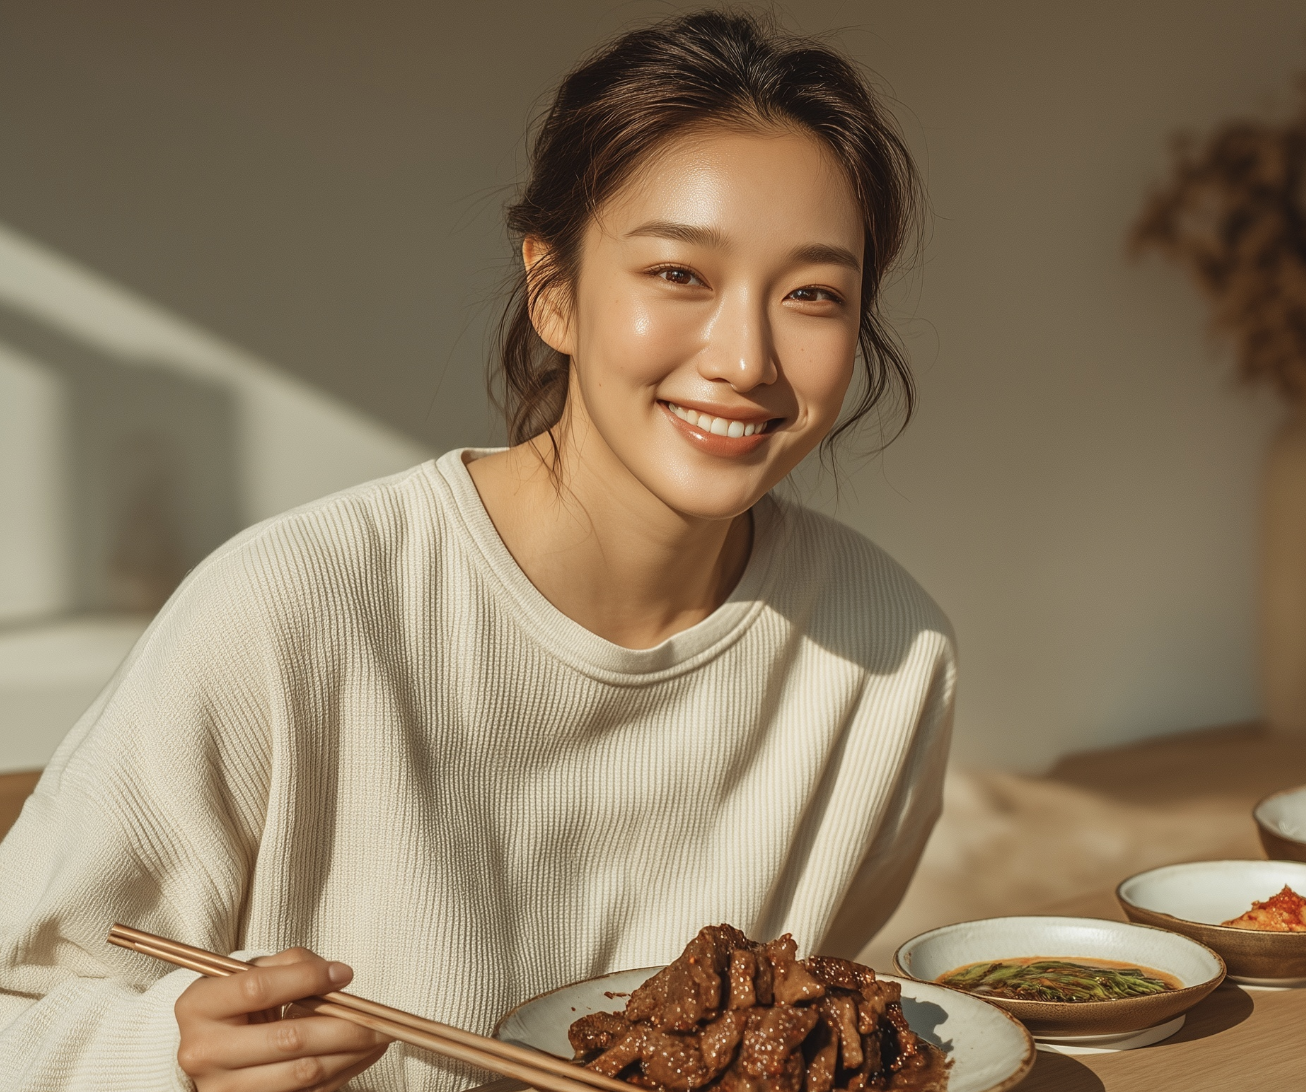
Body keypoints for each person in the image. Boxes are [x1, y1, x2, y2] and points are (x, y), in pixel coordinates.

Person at [0, 11, 954, 1092]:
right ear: (553, 290)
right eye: (678, 275)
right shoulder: (293, 608)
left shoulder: (885, 644)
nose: (745, 356)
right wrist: (160, 1054)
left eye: (813, 295)